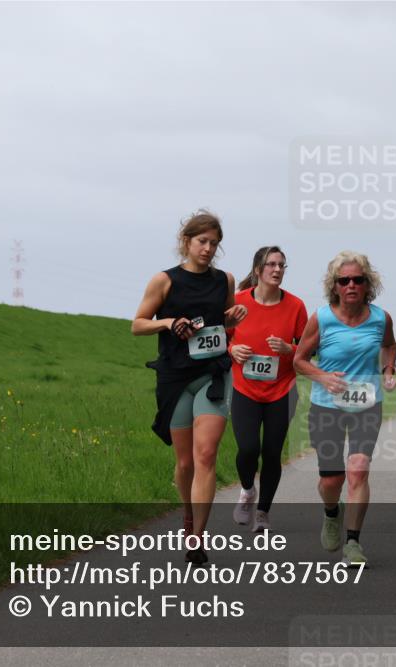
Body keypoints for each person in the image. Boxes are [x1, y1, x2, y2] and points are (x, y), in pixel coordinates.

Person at [132, 210, 247, 565]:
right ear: (187, 241)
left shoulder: (224, 280)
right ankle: (187, 512)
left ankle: (197, 537)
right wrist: (168, 322)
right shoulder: (164, 281)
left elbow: (226, 321)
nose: (209, 248)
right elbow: (137, 324)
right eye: (203, 241)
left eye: (214, 243)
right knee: (184, 464)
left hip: (213, 374)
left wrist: (232, 319)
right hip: (174, 376)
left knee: (206, 455)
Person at [294, 251, 396, 567]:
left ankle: (353, 542)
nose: (351, 285)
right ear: (335, 286)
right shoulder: (322, 318)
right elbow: (298, 360)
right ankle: (331, 512)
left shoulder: (381, 318)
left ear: (368, 284)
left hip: (368, 403)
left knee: (358, 469)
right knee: (331, 480)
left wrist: (389, 370)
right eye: (344, 280)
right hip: (327, 406)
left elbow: (390, 345)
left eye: (358, 279)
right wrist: (323, 376)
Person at [228, 246, 308, 532]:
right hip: (245, 389)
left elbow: (307, 351)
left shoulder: (296, 306)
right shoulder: (237, 302)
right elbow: (220, 338)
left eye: (282, 265)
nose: (277, 270)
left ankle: (262, 514)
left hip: (282, 390)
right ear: (258, 269)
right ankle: (248, 490)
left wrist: (289, 348)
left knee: (272, 453)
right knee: (248, 448)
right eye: (271, 264)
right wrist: (232, 349)